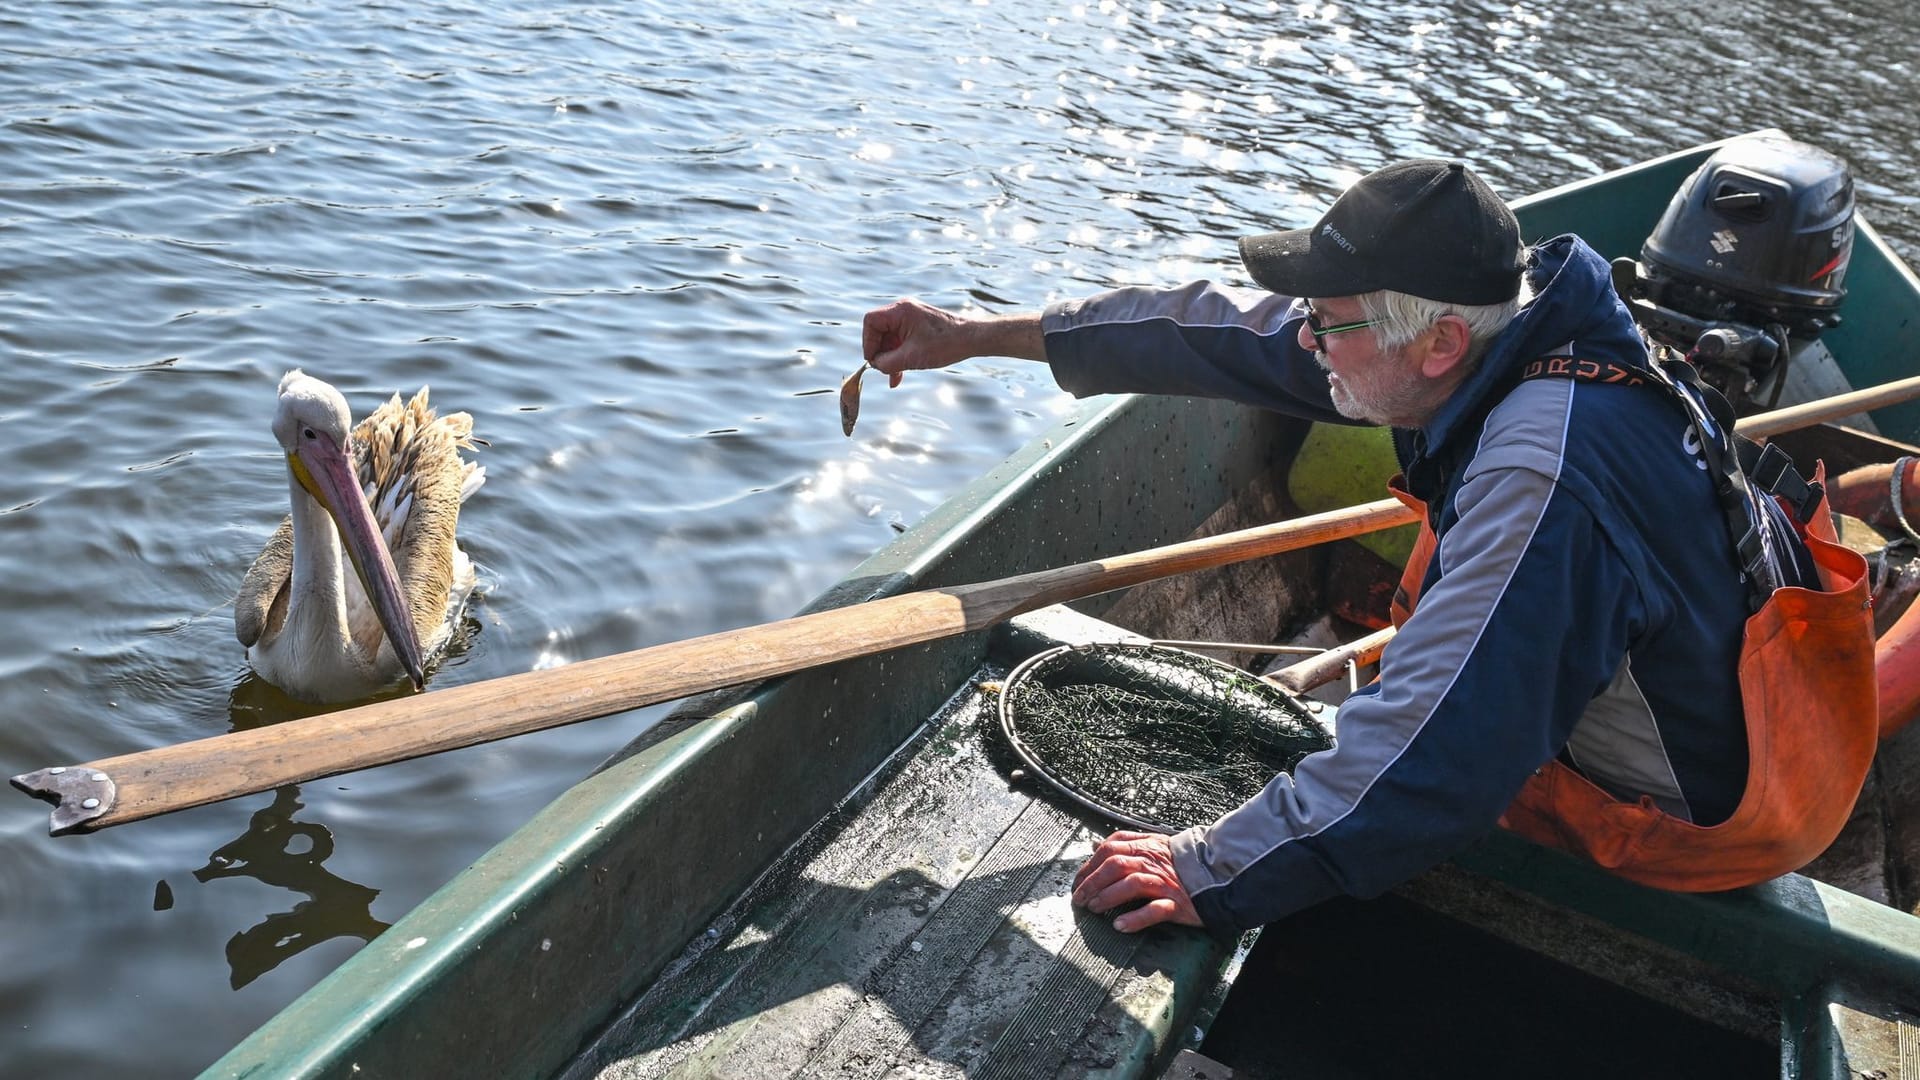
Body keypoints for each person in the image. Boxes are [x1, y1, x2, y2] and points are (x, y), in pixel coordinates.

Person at [861, 159, 1875, 937]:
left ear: (1435, 344)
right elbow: (1212, 332)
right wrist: (975, 334)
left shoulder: (1546, 476)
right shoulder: (1494, 334)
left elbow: (1434, 761)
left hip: (1713, 816)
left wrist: (1206, 870)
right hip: (1693, 672)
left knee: (1404, 741)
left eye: (1329, 323)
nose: (1304, 339)